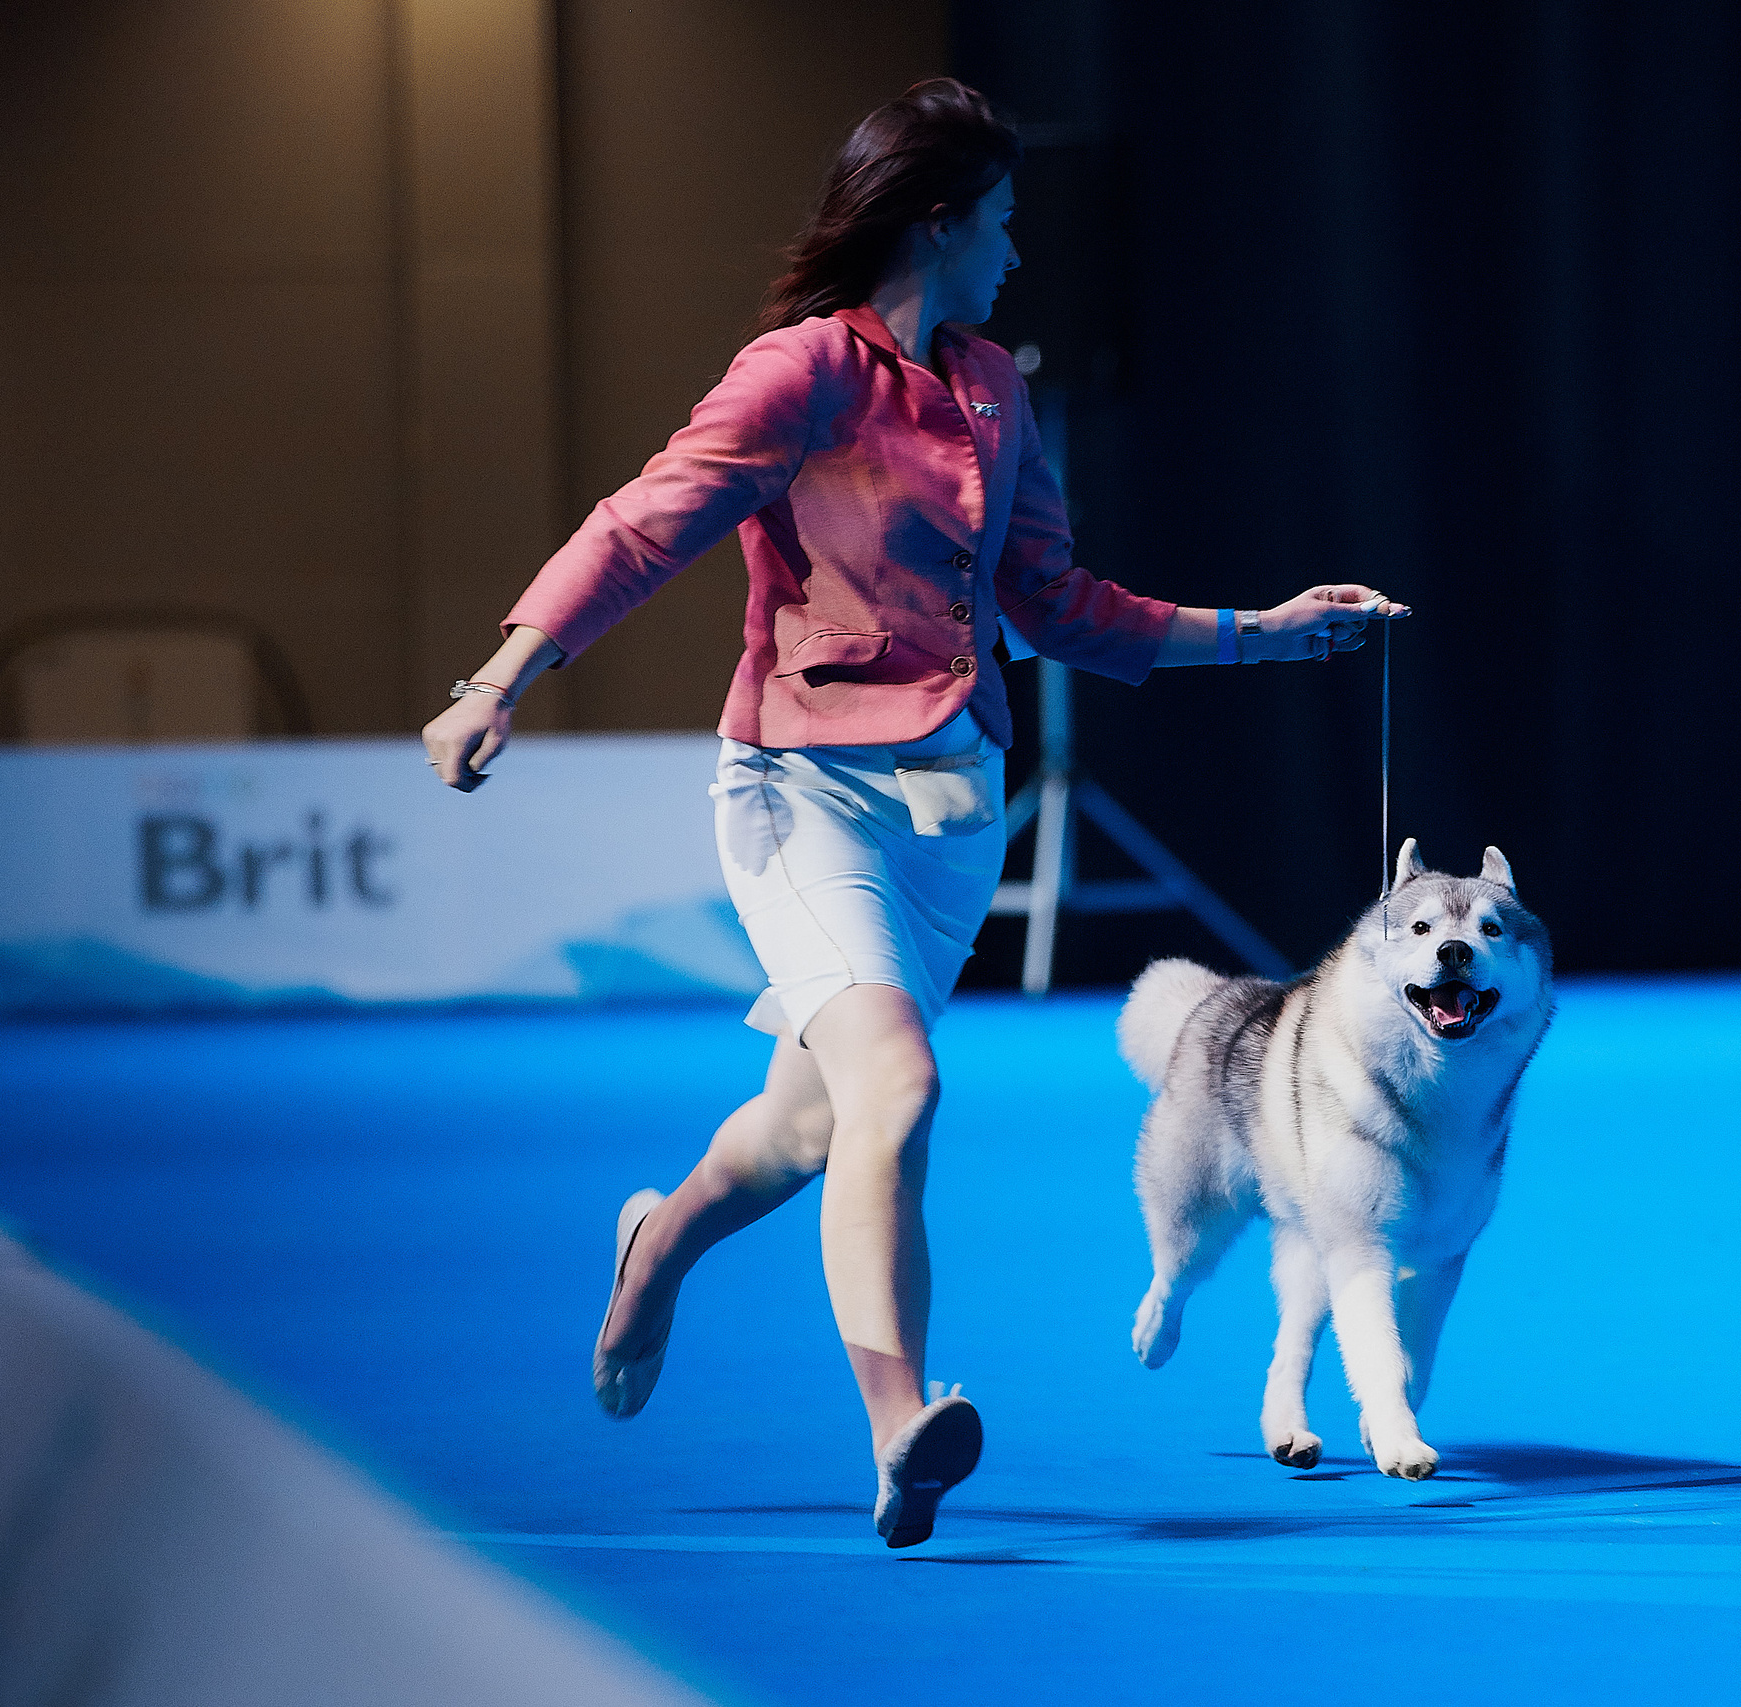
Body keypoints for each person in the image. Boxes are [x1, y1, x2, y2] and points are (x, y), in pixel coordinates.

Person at [419, 78, 1402, 1548]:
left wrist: (1262, 633)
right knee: (900, 1085)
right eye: (1000, 222)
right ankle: (899, 1423)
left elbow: (1056, 604)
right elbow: (641, 527)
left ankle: (657, 1244)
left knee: (814, 1122)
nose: (1017, 251)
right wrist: (500, 679)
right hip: (800, 791)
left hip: (951, 817)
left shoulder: (993, 384)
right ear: (937, 224)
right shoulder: (799, 373)